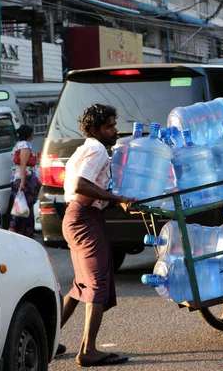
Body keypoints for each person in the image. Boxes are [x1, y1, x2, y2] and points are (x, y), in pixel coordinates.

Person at [58, 104, 136, 367]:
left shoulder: (85, 148)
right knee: (97, 284)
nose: (114, 131)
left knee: (81, 284)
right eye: (108, 127)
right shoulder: (97, 149)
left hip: (77, 217)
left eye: (114, 125)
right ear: (94, 130)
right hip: (84, 219)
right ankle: (88, 351)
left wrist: (112, 198)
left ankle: (48, 339)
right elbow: (82, 184)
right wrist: (119, 198)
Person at [9, 124, 41, 237]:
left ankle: (19, 231)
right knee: (25, 206)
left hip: (16, 178)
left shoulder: (17, 145)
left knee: (20, 204)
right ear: (30, 134)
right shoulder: (25, 145)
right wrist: (23, 181)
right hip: (24, 179)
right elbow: (23, 163)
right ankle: (15, 228)